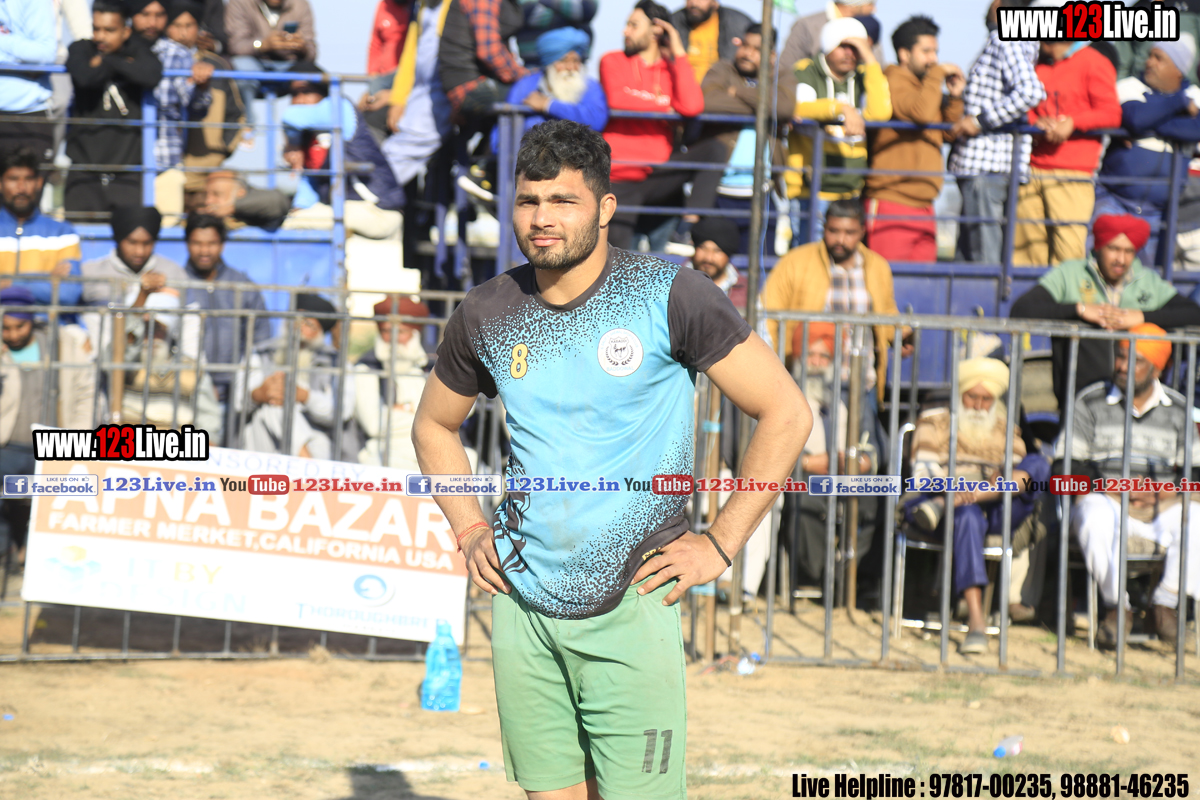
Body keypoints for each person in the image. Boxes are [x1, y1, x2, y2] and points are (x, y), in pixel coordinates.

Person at [411, 118, 809, 799]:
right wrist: (470, 527)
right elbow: (433, 426)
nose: (542, 218)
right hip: (523, 604)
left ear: (604, 208)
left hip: (634, 598)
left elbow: (787, 413)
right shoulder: (486, 310)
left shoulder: (670, 294)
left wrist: (719, 543)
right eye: (529, 201)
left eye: (563, 200)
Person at [1063, 325, 1200, 647]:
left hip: (1162, 505)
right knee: (1092, 515)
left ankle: (1164, 604)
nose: (1122, 366)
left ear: (1158, 369)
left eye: (1135, 360)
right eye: (1121, 356)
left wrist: (1162, 492)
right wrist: (1115, 487)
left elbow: (1196, 473)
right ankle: (1118, 607)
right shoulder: (1090, 401)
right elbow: (1064, 469)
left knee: (1197, 518)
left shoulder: (1178, 409)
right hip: (1108, 501)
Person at [903, 357, 1049, 654]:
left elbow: (1019, 476)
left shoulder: (1007, 430)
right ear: (960, 394)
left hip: (996, 505)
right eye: (972, 397)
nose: (979, 406)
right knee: (967, 514)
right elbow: (923, 476)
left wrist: (987, 486)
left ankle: (972, 496)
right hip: (947, 506)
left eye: (987, 399)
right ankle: (976, 620)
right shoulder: (933, 423)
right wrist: (958, 489)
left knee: (1038, 463)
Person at [1010, 214, 1200, 411]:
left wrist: (1141, 317)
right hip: (1078, 401)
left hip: (1135, 402)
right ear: (1099, 246)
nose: (1121, 259)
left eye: (1128, 251)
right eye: (1113, 249)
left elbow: (1194, 315)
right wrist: (1080, 310)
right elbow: (1021, 310)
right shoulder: (1070, 273)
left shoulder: (1148, 281)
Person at [601, 0, 709, 250]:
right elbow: (617, 99)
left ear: (656, 31)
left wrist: (678, 50)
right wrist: (664, 107)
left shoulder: (672, 69)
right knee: (617, 259)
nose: (625, 31)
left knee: (714, 149)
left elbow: (693, 107)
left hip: (658, 175)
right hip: (619, 176)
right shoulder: (612, 60)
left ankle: (688, 225)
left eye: (633, 25)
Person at [947, 0, 1045, 266]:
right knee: (969, 255)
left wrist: (980, 121)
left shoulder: (1007, 39)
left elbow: (1031, 91)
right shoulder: (1018, 41)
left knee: (983, 258)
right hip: (986, 166)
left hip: (986, 168)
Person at [0, 286, 95, 561]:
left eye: (19, 327)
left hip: (51, 447)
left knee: (44, 508)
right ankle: (5, 559)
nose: (13, 335)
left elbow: (84, 391)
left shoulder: (62, 344)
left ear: (32, 320)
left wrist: (78, 437)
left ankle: (30, 560)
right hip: (6, 446)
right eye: (6, 328)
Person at [464, 27, 609, 203]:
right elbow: (503, 128)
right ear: (550, 61)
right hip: (530, 168)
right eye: (564, 60)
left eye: (576, 61)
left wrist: (548, 105)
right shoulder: (527, 85)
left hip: (575, 168)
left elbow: (597, 119)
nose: (571, 67)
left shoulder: (589, 87)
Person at [1012, 38, 1121, 266]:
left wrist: (1073, 122)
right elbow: (1022, 107)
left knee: (1068, 256)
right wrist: (1035, 123)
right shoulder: (1035, 63)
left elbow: (1111, 113)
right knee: (1024, 255)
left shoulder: (1094, 62)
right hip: (1030, 171)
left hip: (1073, 174)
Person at [864, 15, 964, 263]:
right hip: (891, 202)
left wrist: (955, 98)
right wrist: (937, 75)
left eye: (935, 52)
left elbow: (948, 132)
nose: (934, 59)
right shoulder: (892, 80)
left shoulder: (926, 88)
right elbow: (919, 114)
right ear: (904, 54)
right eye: (926, 51)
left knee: (923, 281)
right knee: (887, 278)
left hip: (926, 205)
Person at [785, 17, 892, 245]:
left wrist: (870, 58)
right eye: (844, 46)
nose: (850, 53)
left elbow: (880, 113)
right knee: (809, 256)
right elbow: (800, 108)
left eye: (856, 48)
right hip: (811, 191)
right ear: (829, 44)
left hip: (850, 190)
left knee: (843, 256)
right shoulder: (807, 71)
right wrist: (841, 109)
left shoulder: (863, 76)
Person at [1097, 37, 1200, 268]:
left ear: (1178, 70)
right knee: (1099, 272)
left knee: (1142, 280)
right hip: (1113, 201)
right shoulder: (1130, 86)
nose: (1149, 62)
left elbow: (1196, 129)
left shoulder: (1195, 94)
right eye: (1150, 55)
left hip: (1157, 214)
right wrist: (1179, 103)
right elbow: (1136, 118)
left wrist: (1153, 120)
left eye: (1159, 58)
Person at [697, 23, 795, 253]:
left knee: (760, 265)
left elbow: (784, 107)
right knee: (712, 266)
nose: (747, 53)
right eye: (744, 45)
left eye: (756, 49)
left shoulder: (782, 76)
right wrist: (764, 106)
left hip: (762, 194)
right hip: (718, 192)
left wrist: (737, 92)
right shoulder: (723, 69)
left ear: (772, 56)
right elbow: (708, 102)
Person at [281, 63, 404, 239]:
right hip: (349, 207)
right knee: (293, 218)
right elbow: (309, 181)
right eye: (294, 94)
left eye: (307, 92)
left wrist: (292, 143)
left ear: (322, 92)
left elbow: (289, 117)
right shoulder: (311, 136)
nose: (300, 100)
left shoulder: (340, 106)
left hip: (378, 210)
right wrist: (299, 206)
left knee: (295, 223)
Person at [181, 213, 273, 443]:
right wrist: (198, 381)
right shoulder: (178, 283)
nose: (204, 251)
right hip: (187, 393)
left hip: (236, 395)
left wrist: (250, 384)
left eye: (211, 243)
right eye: (197, 243)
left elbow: (261, 338)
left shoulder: (242, 285)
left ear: (222, 244)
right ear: (187, 243)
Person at [64, 1, 163, 213]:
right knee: (79, 233)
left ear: (126, 31)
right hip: (83, 174)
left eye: (109, 30)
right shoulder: (81, 48)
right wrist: (125, 64)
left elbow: (152, 74)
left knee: (131, 233)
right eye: (96, 29)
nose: (100, 37)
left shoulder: (139, 49)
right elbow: (85, 77)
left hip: (127, 175)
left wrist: (107, 61)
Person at [237, 292, 355, 460]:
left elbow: (342, 411)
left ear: (320, 331)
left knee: (280, 405)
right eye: (295, 319)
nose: (298, 326)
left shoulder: (336, 362)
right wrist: (259, 394)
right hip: (264, 441)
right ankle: (307, 464)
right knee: (274, 405)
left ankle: (305, 460)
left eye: (308, 323)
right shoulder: (262, 353)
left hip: (316, 439)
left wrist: (304, 396)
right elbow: (237, 401)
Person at [167, 0, 248, 211]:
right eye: (176, 25)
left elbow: (236, 114)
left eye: (189, 26)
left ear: (199, 29)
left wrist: (221, 151)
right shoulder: (156, 63)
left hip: (205, 173)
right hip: (165, 169)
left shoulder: (216, 65)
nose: (183, 33)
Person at [80, 206, 188, 351]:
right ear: (119, 239)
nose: (139, 252)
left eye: (147, 243)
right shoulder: (91, 273)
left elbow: (188, 323)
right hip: (103, 357)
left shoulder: (172, 272)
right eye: (132, 242)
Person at [130, 0, 213, 176]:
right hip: (121, 162)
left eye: (159, 15)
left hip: (164, 160)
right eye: (145, 14)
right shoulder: (116, 53)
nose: (152, 23)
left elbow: (196, 108)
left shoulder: (177, 54)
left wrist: (201, 86)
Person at [380, 0, 454, 197]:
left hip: (445, 91)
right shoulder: (422, 7)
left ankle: (373, 191)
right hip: (419, 92)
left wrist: (458, 98)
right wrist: (398, 99)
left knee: (412, 142)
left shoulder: (457, 5)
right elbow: (410, 55)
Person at [0, 148, 83, 308]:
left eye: (28, 179)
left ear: (39, 183)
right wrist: (47, 280)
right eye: (13, 179)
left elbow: (68, 294)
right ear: (0, 184)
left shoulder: (62, 233)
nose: (21, 188)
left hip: (46, 321)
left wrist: (10, 283)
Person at [355, 294, 430, 470]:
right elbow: (374, 424)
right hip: (387, 450)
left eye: (401, 332)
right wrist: (427, 413)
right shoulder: (366, 367)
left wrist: (403, 409)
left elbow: (460, 412)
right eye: (387, 331)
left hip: (436, 446)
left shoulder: (434, 363)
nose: (393, 339)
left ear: (414, 334)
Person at [226, 0, 318, 131]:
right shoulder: (240, 2)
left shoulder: (300, 4)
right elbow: (235, 45)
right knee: (242, 67)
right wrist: (262, 45)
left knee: (313, 76)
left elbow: (311, 52)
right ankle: (246, 124)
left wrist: (301, 46)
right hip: (254, 62)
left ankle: (303, 129)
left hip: (288, 64)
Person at [437, 0, 530, 128]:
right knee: (540, 93)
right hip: (471, 85)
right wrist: (526, 76)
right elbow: (489, 52)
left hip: (472, 82)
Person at [0, 0, 56, 165]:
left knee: (28, 182)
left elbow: (45, 53)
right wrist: (19, 56)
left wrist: (3, 42)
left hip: (27, 115)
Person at [779, 0, 885, 74]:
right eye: (871, 3)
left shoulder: (869, 29)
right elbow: (785, 70)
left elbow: (879, 72)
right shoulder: (807, 25)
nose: (874, 9)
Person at [669, 0, 751, 83]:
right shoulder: (673, 23)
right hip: (682, 85)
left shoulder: (739, 24)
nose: (694, 3)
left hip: (720, 87)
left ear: (714, 3)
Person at [514, 0, 597, 70]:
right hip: (535, 65)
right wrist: (573, 16)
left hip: (577, 65)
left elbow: (587, 8)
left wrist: (544, 2)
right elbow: (528, 11)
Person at [201, 169, 293, 231]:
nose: (208, 201)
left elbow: (276, 201)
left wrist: (233, 207)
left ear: (240, 193)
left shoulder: (252, 211)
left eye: (217, 194)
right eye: (206, 195)